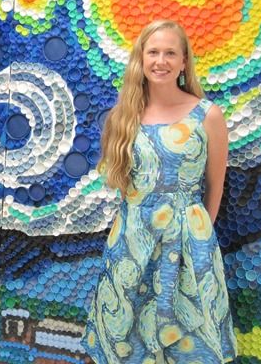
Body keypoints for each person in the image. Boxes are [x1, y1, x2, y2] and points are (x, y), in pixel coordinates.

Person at [81, 20, 237, 363]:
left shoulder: (207, 115)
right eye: (153, 52)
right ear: (141, 58)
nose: (161, 61)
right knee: (126, 341)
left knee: (188, 342)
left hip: (188, 247)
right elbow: (126, 188)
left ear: (184, 62)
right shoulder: (124, 117)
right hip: (130, 247)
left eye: (170, 53)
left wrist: (196, 240)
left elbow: (215, 187)